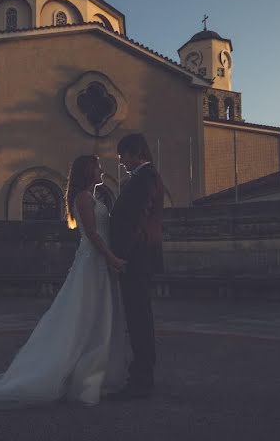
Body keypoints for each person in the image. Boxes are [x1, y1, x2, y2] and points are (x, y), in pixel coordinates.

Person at [0, 155, 131, 409]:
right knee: (86, 316)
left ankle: (93, 373)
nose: (101, 170)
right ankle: (81, 376)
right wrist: (113, 259)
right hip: (93, 264)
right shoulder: (83, 198)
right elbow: (92, 234)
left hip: (98, 264)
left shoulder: (92, 198)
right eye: (97, 167)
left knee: (96, 316)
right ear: (87, 171)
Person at [105, 133, 165, 400]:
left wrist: (122, 257)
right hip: (138, 256)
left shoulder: (145, 177)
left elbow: (137, 220)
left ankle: (142, 378)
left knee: (139, 318)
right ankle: (141, 375)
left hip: (136, 257)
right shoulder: (143, 177)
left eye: (123, 156)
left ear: (136, 152)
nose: (121, 162)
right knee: (138, 316)